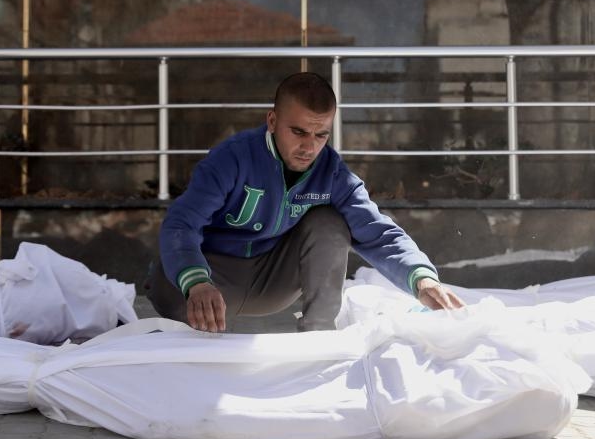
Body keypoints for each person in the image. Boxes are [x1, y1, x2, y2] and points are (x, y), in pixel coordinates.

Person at [148, 71, 464, 332]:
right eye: (298, 131)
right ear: (272, 121)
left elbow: (377, 231)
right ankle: (191, 314)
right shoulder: (232, 158)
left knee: (330, 221)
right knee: (178, 301)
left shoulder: (332, 173)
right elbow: (181, 223)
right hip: (211, 278)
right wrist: (196, 282)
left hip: (270, 282)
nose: (309, 147)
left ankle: (319, 335)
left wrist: (422, 279)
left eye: (321, 135)